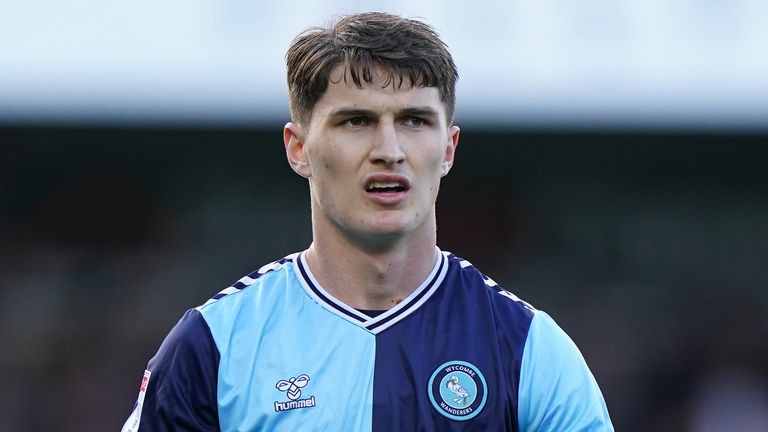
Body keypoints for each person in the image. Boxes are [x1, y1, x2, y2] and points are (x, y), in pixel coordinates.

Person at [122, 12, 613, 431]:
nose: (389, 151)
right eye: (356, 121)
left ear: (448, 149)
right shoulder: (213, 345)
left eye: (414, 120)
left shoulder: (530, 349)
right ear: (298, 148)